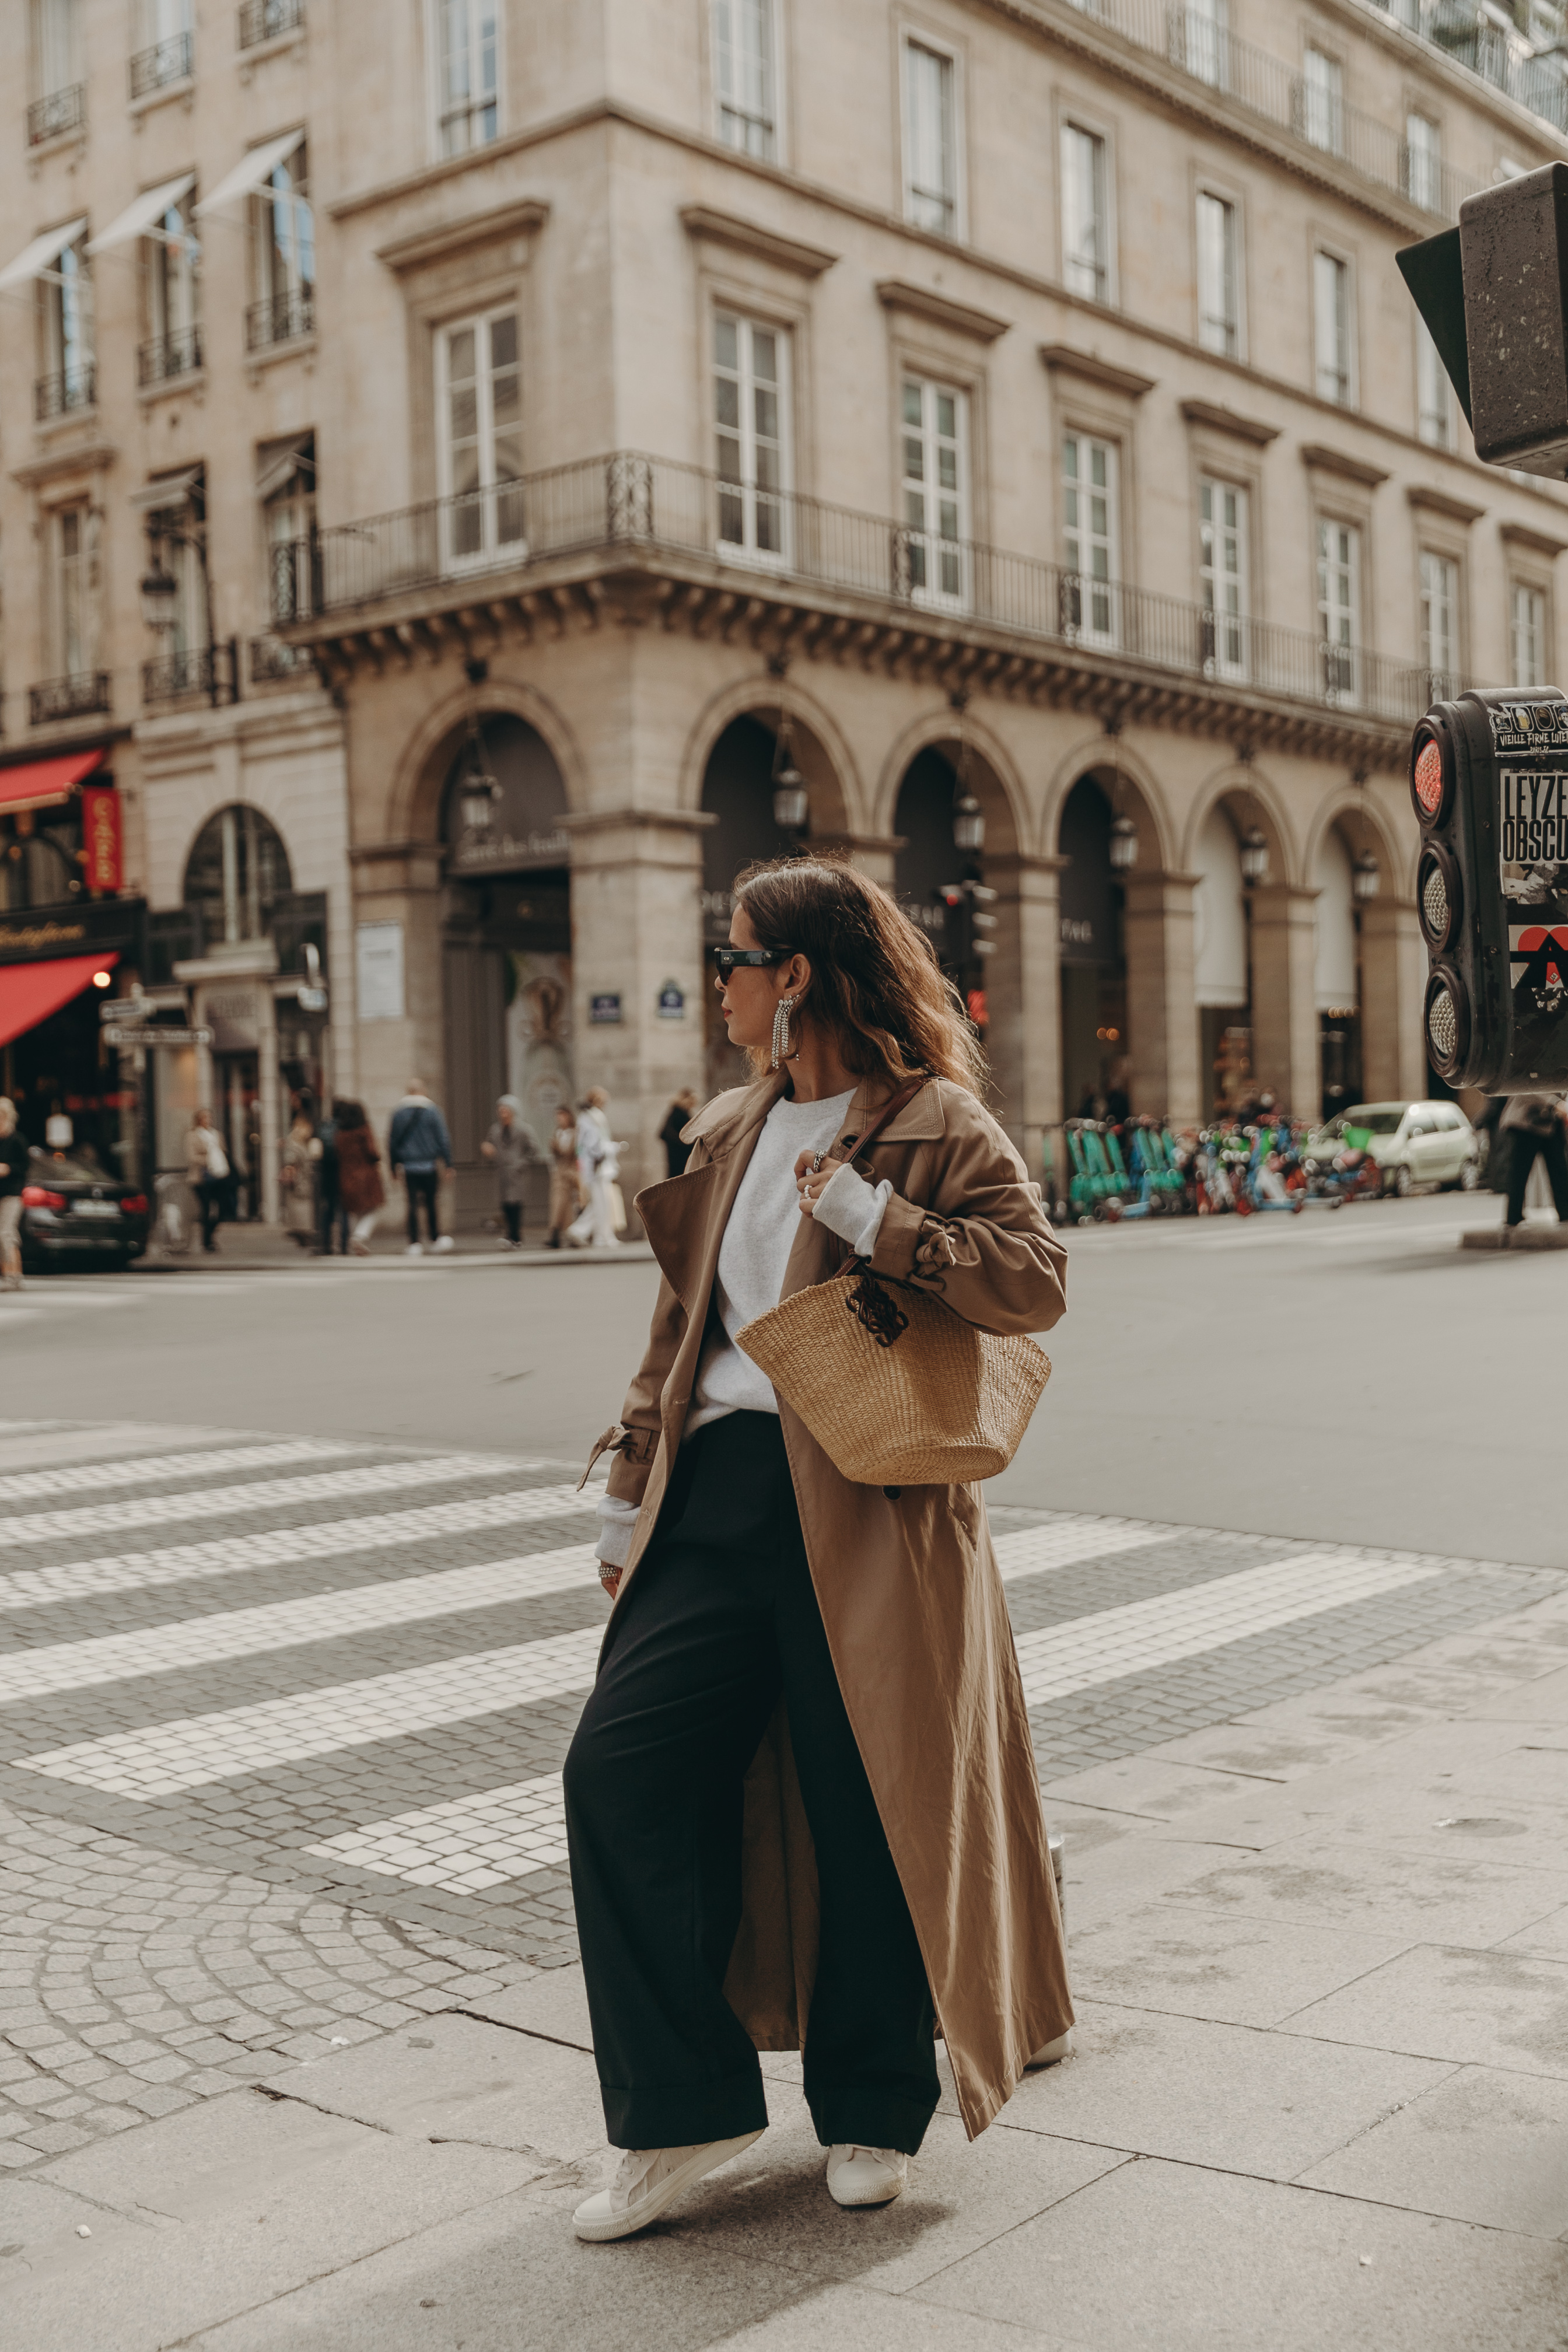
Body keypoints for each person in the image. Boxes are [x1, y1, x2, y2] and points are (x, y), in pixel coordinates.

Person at [564, 855, 1073, 2245]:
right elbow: (683, 1331)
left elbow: (1035, 1277)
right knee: (618, 1769)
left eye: (732, 959)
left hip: (873, 1503)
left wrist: (878, 1221)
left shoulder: (932, 1120)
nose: (716, 983)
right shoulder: (732, 1126)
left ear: (793, 977)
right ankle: (683, 2111)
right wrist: (628, 1486)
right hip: (721, 1492)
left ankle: (867, 2109)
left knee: (872, 1805)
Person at [388, 1080, 453, 1256]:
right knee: (432, 1203)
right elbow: (443, 1138)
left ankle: (414, 1242)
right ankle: (434, 1239)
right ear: (423, 1091)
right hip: (429, 1164)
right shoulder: (433, 1111)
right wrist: (448, 1164)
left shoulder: (399, 1112)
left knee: (412, 1204)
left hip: (409, 1166)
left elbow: (393, 1142)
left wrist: (393, 1167)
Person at [1501, 1091, 1568, 1231]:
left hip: (1549, 1121)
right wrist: (1556, 1103)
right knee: (1520, 1172)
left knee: (1559, 1169)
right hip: (1525, 1122)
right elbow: (1529, 1089)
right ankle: (1513, 1217)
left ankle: (1565, 1213)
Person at [481, 1095, 539, 1249]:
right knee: (505, 1204)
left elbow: (534, 1150)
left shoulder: (524, 1129)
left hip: (517, 1174)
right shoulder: (495, 1130)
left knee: (516, 1205)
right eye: (500, 1110)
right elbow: (490, 1146)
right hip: (502, 1173)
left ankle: (514, 1237)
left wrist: (521, 1163)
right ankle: (511, 1236)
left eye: (506, 1110)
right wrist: (488, 1151)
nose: (503, 1113)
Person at [567, 1088, 621, 1249]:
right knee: (601, 1203)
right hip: (597, 1167)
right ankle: (590, 1233)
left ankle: (598, 1235)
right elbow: (594, 1145)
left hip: (596, 1166)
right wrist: (611, 1148)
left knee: (601, 1203)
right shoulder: (591, 1117)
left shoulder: (588, 1117)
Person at [332, 1099, 386, 1256]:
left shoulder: (341, 1134)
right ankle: (359, 1237)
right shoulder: (364, 1130)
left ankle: (357, 1239)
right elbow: (373, 1152)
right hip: (366, 1177)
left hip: (347, 1177)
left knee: (357, 1211)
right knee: (373, 1209)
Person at [186, 1108, 229, 1254]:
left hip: (219, 1175)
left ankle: (209, 1235)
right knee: (206, 1209)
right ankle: (207, 1242)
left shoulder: (216, 1134)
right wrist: (209, 1160)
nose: (208, 1120)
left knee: (223, 1208)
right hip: (201, 1178)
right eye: (205, 1118)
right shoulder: (192, 1136)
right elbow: (192, 1157)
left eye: (209, 1118)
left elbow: (223, 1153)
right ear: (199, 1120)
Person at [0, 1098, 26, 1293]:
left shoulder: (17, 1140)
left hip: (12, 1195)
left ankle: (15, 1275)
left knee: (7, 1234)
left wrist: (7, 1169)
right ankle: (6, 1275)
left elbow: (25, 1168)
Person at [279, 1112, 317, 1249]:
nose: (310, 1131)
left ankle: (302, 1234)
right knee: (301, 1210)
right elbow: (290, 1162)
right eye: (308, 1128)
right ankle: (302, 1234)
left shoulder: (302, 1143)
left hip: (304, 1183)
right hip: (300, 1184)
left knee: (303, 1210)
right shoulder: (294, 1143)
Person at [547, 1104, 581, 1249]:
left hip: (572, 1172)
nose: (560, 1119)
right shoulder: (557, 1133)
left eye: (562, 1115)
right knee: (559, 1203)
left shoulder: (575, 1133)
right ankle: (556, 1233)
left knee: (570, 1206)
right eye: (558, 1116)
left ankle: (567, 1234)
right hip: (560, 1173)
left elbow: (577, 1153)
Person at [659, 1088, 699, 1178]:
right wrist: (685, 1144)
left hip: (678, 1152)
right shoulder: (679, 1113)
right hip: (679, 1153)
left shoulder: (678, 1112)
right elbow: (665, 1134)